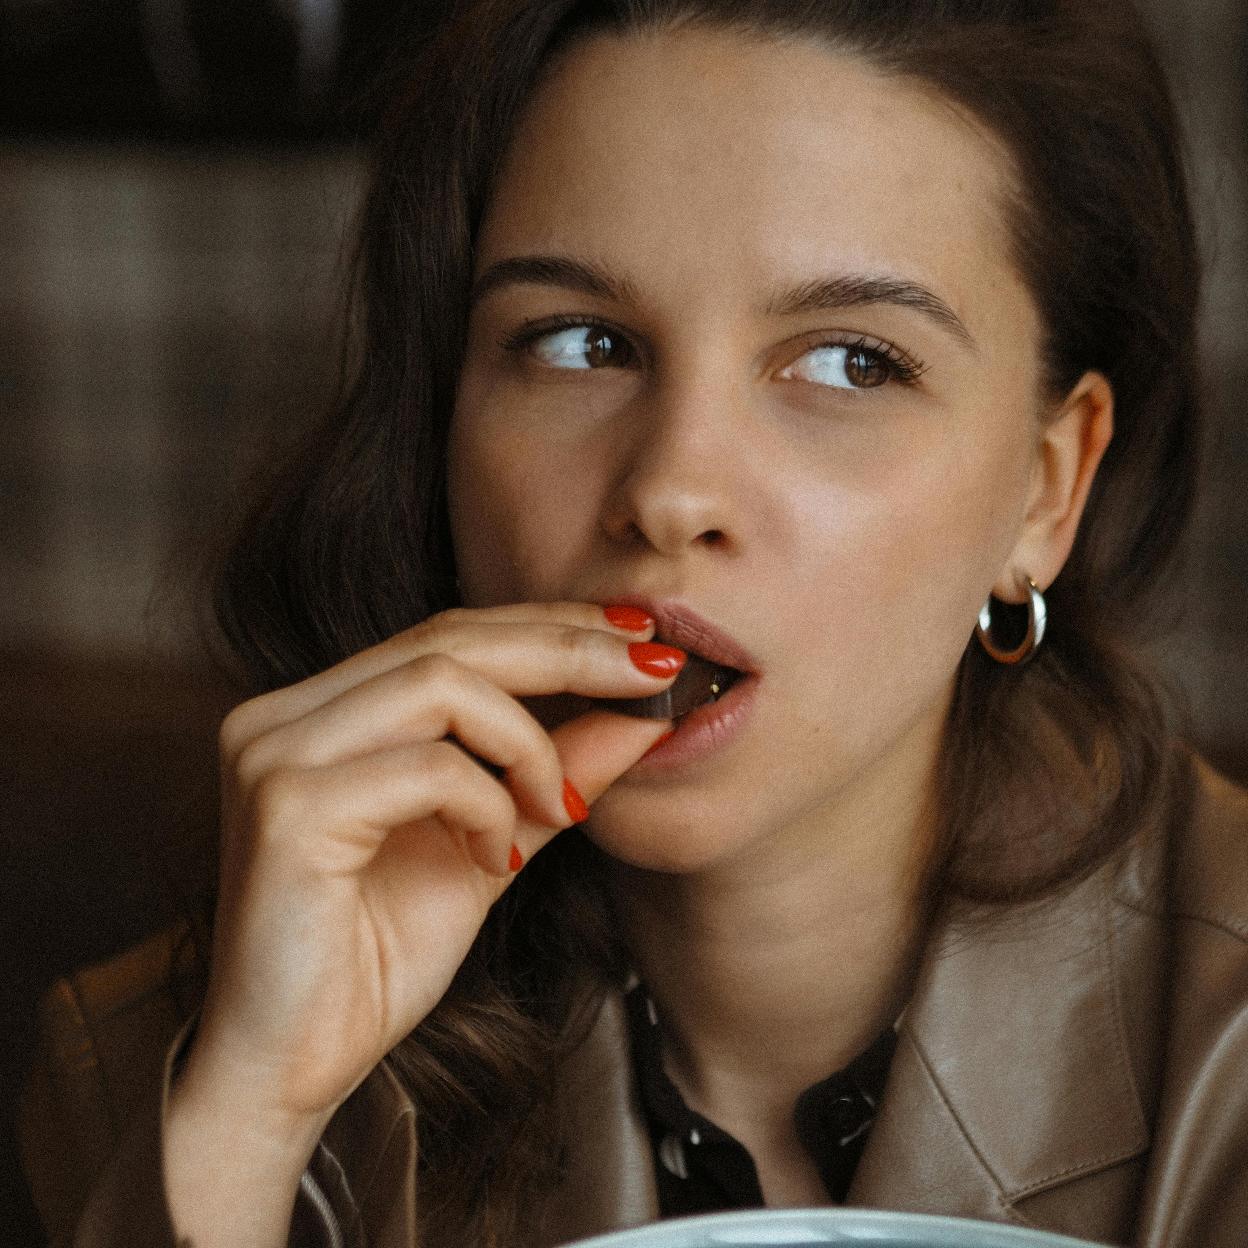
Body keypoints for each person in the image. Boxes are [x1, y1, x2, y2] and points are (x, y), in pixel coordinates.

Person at [18, 0, 1248, 1245]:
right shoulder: (166, 1070)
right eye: (581, 343)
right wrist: (249, 1123)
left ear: (1046, 489)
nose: (670, 491)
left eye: (851, 364)